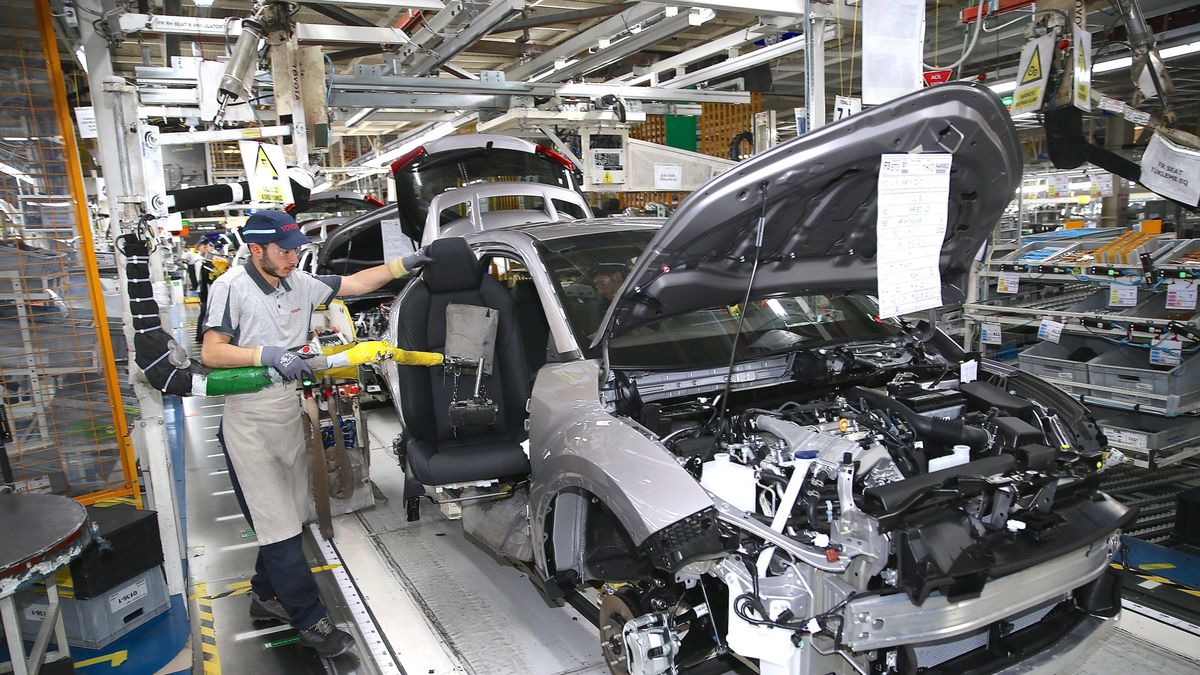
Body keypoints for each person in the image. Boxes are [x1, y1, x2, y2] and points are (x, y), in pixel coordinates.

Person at [200, 210, 430, 657]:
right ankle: (309, 618)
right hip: (249, 419)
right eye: (284, 251)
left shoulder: (297, 282)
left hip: (287, 412)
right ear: (257, 249)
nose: (292, 258)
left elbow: (359, 284)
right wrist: (269, 355)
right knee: (280, 527)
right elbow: (213, 352)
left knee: (290, 513)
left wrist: (411, 262)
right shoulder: (231, 288)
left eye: (296, 250)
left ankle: (266, 596)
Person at [190, 233, 220, 343]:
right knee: (204, 312)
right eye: (205, 246)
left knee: (205, 312)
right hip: (203, 290)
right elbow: (200, 277)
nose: (207, 248)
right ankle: (200, 335)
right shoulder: (199, 260)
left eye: (208, 246)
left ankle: (201, 335)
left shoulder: (205, 259)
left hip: (205, 289)